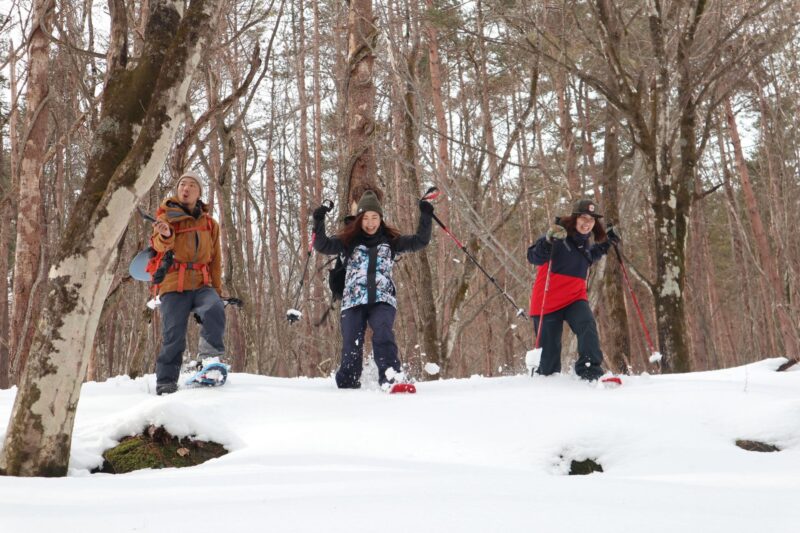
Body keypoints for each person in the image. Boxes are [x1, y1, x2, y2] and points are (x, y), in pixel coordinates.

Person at [312, 189, 434, 389]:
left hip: (382, 299)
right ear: (359, 219)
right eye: (366, 218)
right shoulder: (348, 241)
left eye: (374, 217)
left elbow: (420, 241)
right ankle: (348, 383)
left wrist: (426, 214)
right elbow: (322, 245)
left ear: (380, 218)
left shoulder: (391, 241)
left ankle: (392, 377)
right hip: (353, 300)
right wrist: (318, 219)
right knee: (352, 342)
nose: (370, 223)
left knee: (383, 333)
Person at [527, 199, 620, 381]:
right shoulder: (558, 235)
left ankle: (590, 371)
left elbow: (587, 257)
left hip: (574, 299)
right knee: (548, 368)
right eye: (583, 218)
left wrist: (607, 243)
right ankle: (546, 389)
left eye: (591, 220)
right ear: (575, 218)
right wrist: (547, 241)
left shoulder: (584, 244)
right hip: (548, 301)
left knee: (587, 324)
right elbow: (533, 257)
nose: (587, 223)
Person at [150, 170, 225, 395]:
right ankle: (166, 381)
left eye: (192, 185)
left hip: (202, 282)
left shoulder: (210, 224)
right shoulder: (166, 217)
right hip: (174, 283)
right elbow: (159, 245)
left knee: (214, 309)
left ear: (199, 192)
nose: (186, 188)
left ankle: (209, 362)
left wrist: (217, 290)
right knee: (173, 333)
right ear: (178, 190)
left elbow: (216, 259)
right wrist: (164, 234)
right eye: (183, 184)